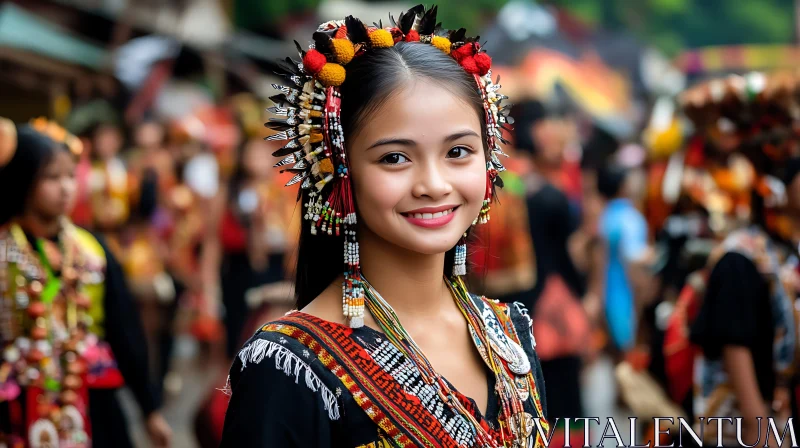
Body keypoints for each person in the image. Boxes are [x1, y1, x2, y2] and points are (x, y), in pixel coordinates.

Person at [220, 6, 549, 447]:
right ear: (336, 169)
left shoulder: (509, 336)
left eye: (458, 152)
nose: (434, 185)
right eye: (395, 157)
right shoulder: (287, 366)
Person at [0, 118, 172, 447]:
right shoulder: (3, 252)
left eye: (70, 176)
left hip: (93, 401)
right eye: (52, 177)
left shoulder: (93, 250)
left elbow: (125, 331)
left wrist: (150, 409)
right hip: (18, 407)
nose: (66, 187)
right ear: (23, 180)